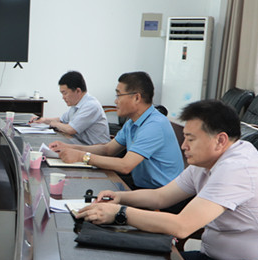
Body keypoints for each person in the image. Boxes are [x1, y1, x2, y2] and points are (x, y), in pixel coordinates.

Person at [78, 99, 258, 260]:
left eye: (190, 139)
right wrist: (119, 198)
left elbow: (182, 226)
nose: (184, 146)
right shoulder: (206, 162)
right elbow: (160, 197)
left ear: (220, 140)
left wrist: (120, 213)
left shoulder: (237, 168)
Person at [50, 71, 184, 189]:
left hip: (163, 194)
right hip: (143, 185)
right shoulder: (132, 122)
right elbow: (107, 149)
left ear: (136, 98)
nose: (115, 101)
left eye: (119, 95)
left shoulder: (154, 125)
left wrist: (82, 156)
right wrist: (69, 147)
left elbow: (125, 165)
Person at [30, 71, 110, 145]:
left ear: (78, 91)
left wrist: (54, 124)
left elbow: (71, 129)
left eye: (65, 93)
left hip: (95, 150)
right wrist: (44, 120)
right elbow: (62, 120)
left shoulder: (91, 105)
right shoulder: (76, 105)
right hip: (81, 145)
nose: (63, 97)